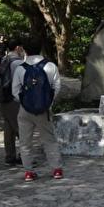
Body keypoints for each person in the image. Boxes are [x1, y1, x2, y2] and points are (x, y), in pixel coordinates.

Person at [12, 41, 63, 181]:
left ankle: (28, 172)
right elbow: (57, 87)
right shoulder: (50, 66)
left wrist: (26, 102)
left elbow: (15, 91)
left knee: (25, 142)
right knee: (49, 140)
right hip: (44, 110)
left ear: (24, 50)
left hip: (25, 111)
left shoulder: (20, 69)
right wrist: (47, 103)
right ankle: (56, 170)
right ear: (40, 48)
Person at [0, 41, 26, 166]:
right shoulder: (18, 63)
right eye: (22, 48)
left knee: (8, 129)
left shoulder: (4, 60)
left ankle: (10, 156)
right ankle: (25, 157)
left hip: (4, 99)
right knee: (21, 129)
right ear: (18, 47)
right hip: (14, 100)